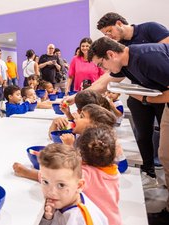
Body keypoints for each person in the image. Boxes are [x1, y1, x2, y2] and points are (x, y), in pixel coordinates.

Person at [87, 36, 169, 224]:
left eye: (101, 64)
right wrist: (78, 99)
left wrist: (146, 100)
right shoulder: (123, 63)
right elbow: (101, 84)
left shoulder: (147, 57)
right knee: (165, 155)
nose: (102, 69)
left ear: (110, 54)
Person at [96, 12, 169, 190]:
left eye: (109, 31)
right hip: (144, 92)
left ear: (119, 23)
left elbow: (162, 56)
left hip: (160, 92)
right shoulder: (123, 53)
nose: (108, 36)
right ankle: (149, 172)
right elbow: (108, 79)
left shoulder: (149, 35)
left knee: (164, 145)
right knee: (146, 137)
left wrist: (148, 95)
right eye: (105, 35)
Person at [38, 143, 108, 225]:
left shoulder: (80, 220)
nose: (51, 192)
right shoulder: (66, 199)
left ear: (79, 186)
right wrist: (48, 219)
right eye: (46, 182)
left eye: (61, 185)